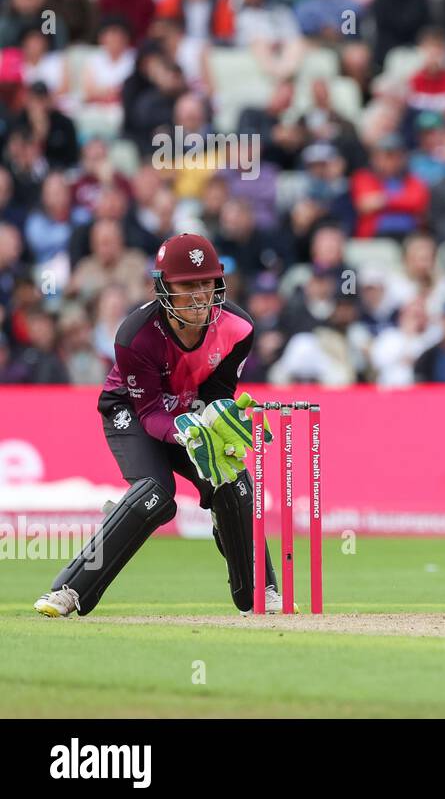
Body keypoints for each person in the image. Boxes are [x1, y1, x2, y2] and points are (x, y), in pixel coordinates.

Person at [34, 234, 283, 618]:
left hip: (190, 413)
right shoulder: (136, 335)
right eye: (187, 285)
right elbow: (150, 412)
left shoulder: (239, 329)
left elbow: (216, 395)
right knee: (156, 494)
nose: (200, 296)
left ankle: (260, 592)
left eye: (206, 283)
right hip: (132, 413)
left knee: (232, 480)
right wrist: (186, 431)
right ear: (164, 287)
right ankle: (70, 590)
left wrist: (226, 422)